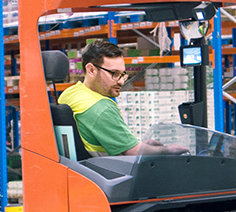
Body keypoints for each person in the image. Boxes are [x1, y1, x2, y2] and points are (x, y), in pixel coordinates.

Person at [57, 39, 188, 157]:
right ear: (91, 70)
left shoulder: (70, 93)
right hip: (106, 173)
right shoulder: (101, 107)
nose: (121, 81)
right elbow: (132, 152)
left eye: (123, 75)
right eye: (114, 74)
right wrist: (168, 150)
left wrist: (137, 144)